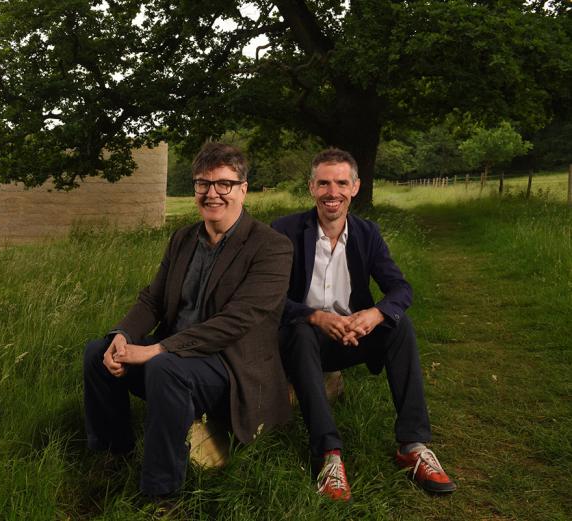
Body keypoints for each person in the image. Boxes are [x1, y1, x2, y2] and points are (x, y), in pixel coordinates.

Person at [83, 142, 293, 504]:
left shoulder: (272, 246)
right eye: (203, 184)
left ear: (243, 189)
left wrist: (157, 349)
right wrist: (123, 335)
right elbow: (152, 298)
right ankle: (113, 453)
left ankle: (161, 494)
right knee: (97, 352)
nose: (212, 193)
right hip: (175, 354)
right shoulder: (183, 238)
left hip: (230, 364)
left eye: (224, 184)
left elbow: (235, 322)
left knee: (165, 368)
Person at [271, 148, 456, 502]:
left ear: (355, 187)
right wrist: (315, 316)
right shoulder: (285, 231)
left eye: (342, 183)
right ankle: (328, 455)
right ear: (311, 187)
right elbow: (268, 297)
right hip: (302, 340)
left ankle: (413, 445)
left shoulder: (367, 233)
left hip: (352, 337)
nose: (332, 192)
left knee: (399, 325)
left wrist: (376, 314)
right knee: (300, 331)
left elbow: (400, 288)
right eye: (324, 183)